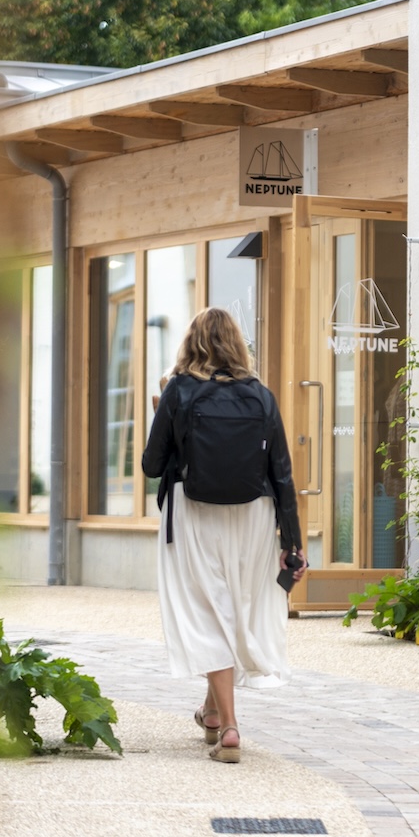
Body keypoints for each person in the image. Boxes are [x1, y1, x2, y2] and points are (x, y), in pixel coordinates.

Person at [140, 307, 305, 763]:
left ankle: (230, 727)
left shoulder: (177, 389)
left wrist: (161, 418)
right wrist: (291, 542)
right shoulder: (261, 395)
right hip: (255, 515)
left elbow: (152, 465)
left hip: (193, 513)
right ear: (237, 345)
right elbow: (282, 473)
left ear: (190, 343)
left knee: (206, 611)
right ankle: (212, 713)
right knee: (233, 609)